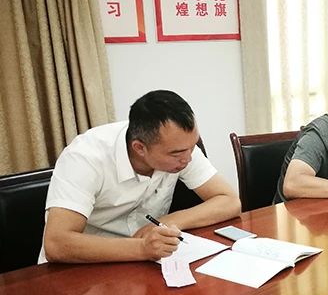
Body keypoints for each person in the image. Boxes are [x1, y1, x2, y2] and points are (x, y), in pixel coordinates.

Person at [40, 90, 241, 264]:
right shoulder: (85, 157)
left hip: (147, 262)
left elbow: (230, 202)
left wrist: (170, 220)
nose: (188, 159)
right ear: (139, 148)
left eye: (192, 146)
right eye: (177, 153)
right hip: (84, 265)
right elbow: (57, 244)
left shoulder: (181, 147)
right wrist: (141, 248)